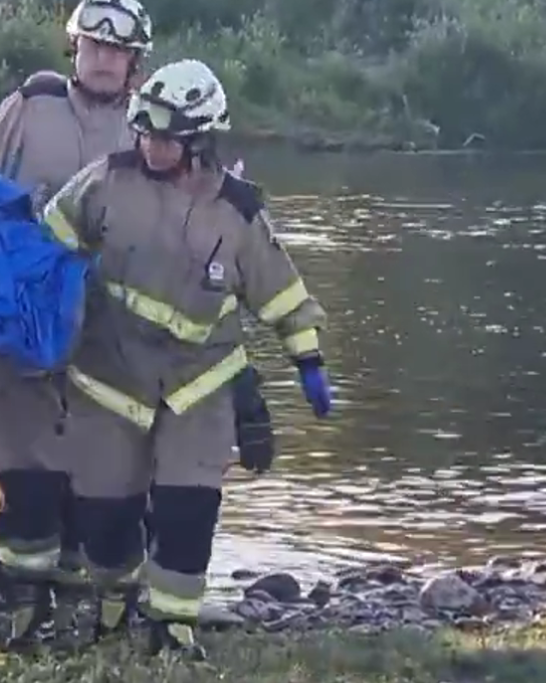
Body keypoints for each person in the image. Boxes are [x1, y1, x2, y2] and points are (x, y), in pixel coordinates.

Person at [41, 59, 332, 659]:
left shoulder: (239, 212)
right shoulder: (106, 182)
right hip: (109, 376)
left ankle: (173, 628)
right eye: (144, 132)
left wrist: (308, 360)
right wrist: (34, 324)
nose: (151, 145)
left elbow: (281, 291)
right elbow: (48, 246)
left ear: (200, 139)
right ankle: (114, 599)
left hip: (200, 382)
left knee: (187, 507)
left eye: (166, 137)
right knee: (105, 512)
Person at [0, 0, 153, 645]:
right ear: (75, 47)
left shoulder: (146, 127)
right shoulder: (30, 105)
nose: (101, 59)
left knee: (101, 464)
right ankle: (18, 600)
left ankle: (87, 599)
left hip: (105, 326)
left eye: (115, 49)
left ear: (133, 61)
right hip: (22, 316)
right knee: (16, 454)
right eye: (93, 45)